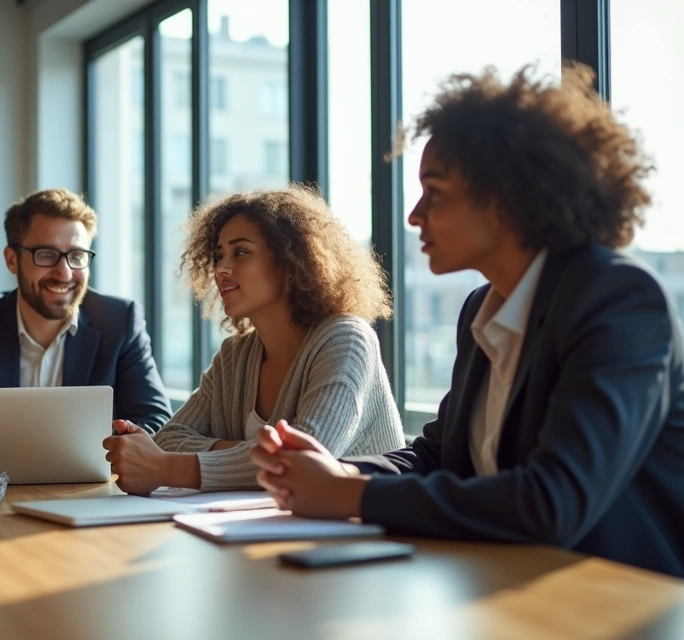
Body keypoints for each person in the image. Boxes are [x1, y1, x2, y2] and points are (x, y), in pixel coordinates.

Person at [251, 65, 684, 578]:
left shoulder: (616, 298)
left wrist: (349, 492)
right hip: (505, 584)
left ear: (505, 198)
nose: (414, 215)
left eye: (434, 191)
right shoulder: (482, 308)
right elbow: (438, 455)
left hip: (616, 600)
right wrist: (334, 470)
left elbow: (553, 501)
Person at [104, 186, 404, 495]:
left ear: (290, 264)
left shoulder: (346, 340)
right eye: (219, 256)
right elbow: (169, 438)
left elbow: (303, 459)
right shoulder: (235, 356)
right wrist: (254, 452)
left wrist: (165, 467)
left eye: (241, 252)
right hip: (269, 524)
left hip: (365, 533)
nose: (221, 268)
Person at [0, 188, 172, 441]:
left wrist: (107, 446)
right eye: (46, 255)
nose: (64, 273)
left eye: (76, 256)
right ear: (12, 260)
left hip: (88, 493)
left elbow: (158, 422)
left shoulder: (119, 322)